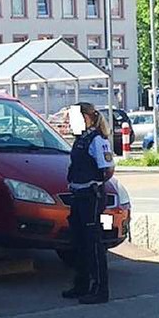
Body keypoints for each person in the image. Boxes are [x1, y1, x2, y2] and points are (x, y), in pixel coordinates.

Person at [63, 102, 115, 305]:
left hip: (90, 196)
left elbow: (108, 169)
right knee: (78, 242)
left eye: (74, 117)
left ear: (87, 117)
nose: (70, 121)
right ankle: (81, 284)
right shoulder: (80, 139)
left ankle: (100, 289)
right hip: (78, 194)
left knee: (93, 243)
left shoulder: (97, 140)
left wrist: (94, 185)